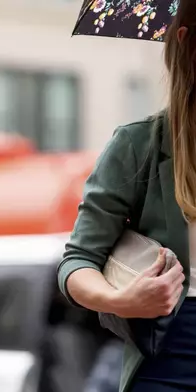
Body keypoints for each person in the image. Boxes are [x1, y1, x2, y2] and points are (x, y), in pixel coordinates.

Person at [57, 2, 196, 391]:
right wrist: (124, 301)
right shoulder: (139, 145)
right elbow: (78, 263)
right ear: (188, 44)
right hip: (173, 358)